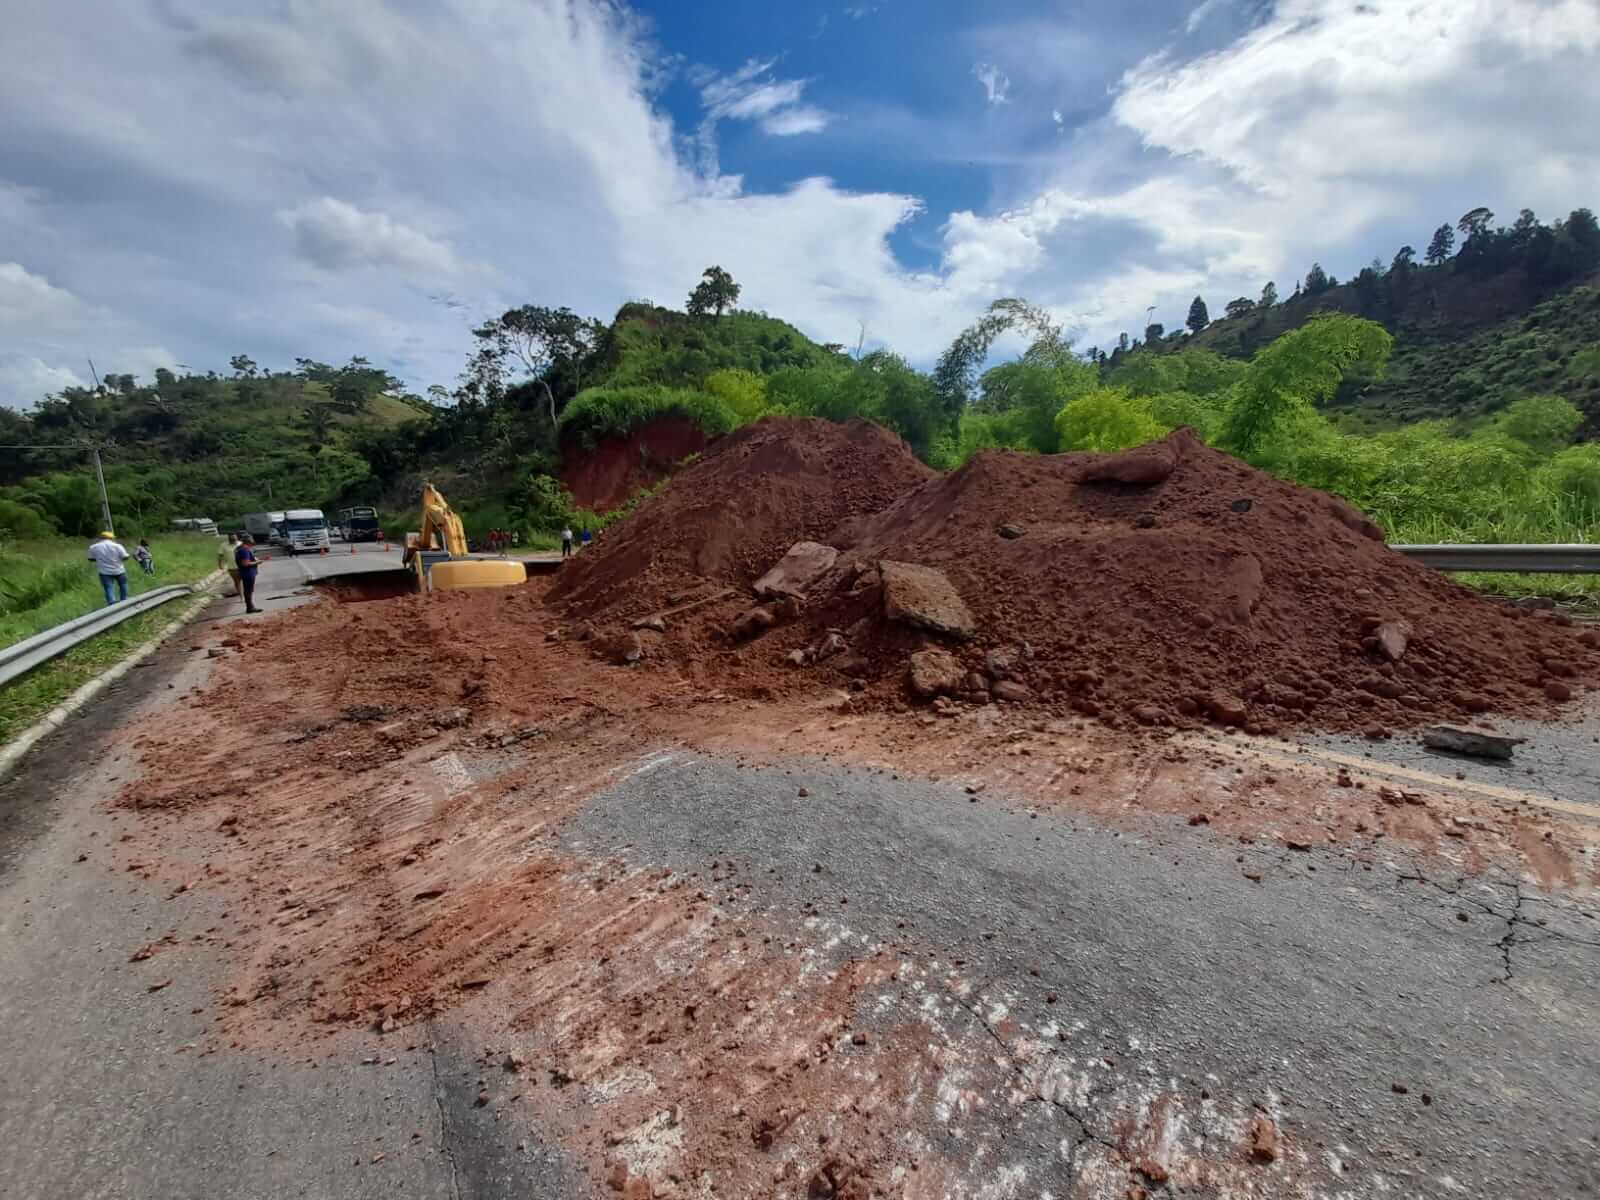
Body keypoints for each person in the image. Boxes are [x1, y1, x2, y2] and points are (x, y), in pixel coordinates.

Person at [87, 530, 131, 606]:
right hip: (119, 570)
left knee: (108, 588)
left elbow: (90, 559)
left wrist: (100, 559)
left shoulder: (93, 547)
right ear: (111, 538)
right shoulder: (117, 546)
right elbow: (125, 557)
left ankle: (112, 604)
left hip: (104, 571)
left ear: (101, 538)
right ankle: (124, 601)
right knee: (123, 585)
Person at [235, 534, 263, 614]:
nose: (253, 541)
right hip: (248, 572)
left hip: (245, 572)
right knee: (248, 591)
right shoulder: (244, 550)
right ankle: (250, 608)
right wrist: (257, 562)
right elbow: (245, 563)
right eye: (251, 539)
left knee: (248, 590)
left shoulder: (239, 549)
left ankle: (250, 607)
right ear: (248, 541)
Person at [219, 532, 242, 596]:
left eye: (234, 538)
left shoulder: (240, 544)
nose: (233, 539)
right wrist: (220, 564)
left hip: (242, 566)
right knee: (237, 582)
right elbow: (220, 555)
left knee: (245, 580)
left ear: (237, 537)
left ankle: (246, 593)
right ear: (228, 538)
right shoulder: (223, 545)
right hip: (232, 567)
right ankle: (241, 596)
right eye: (231, 538)